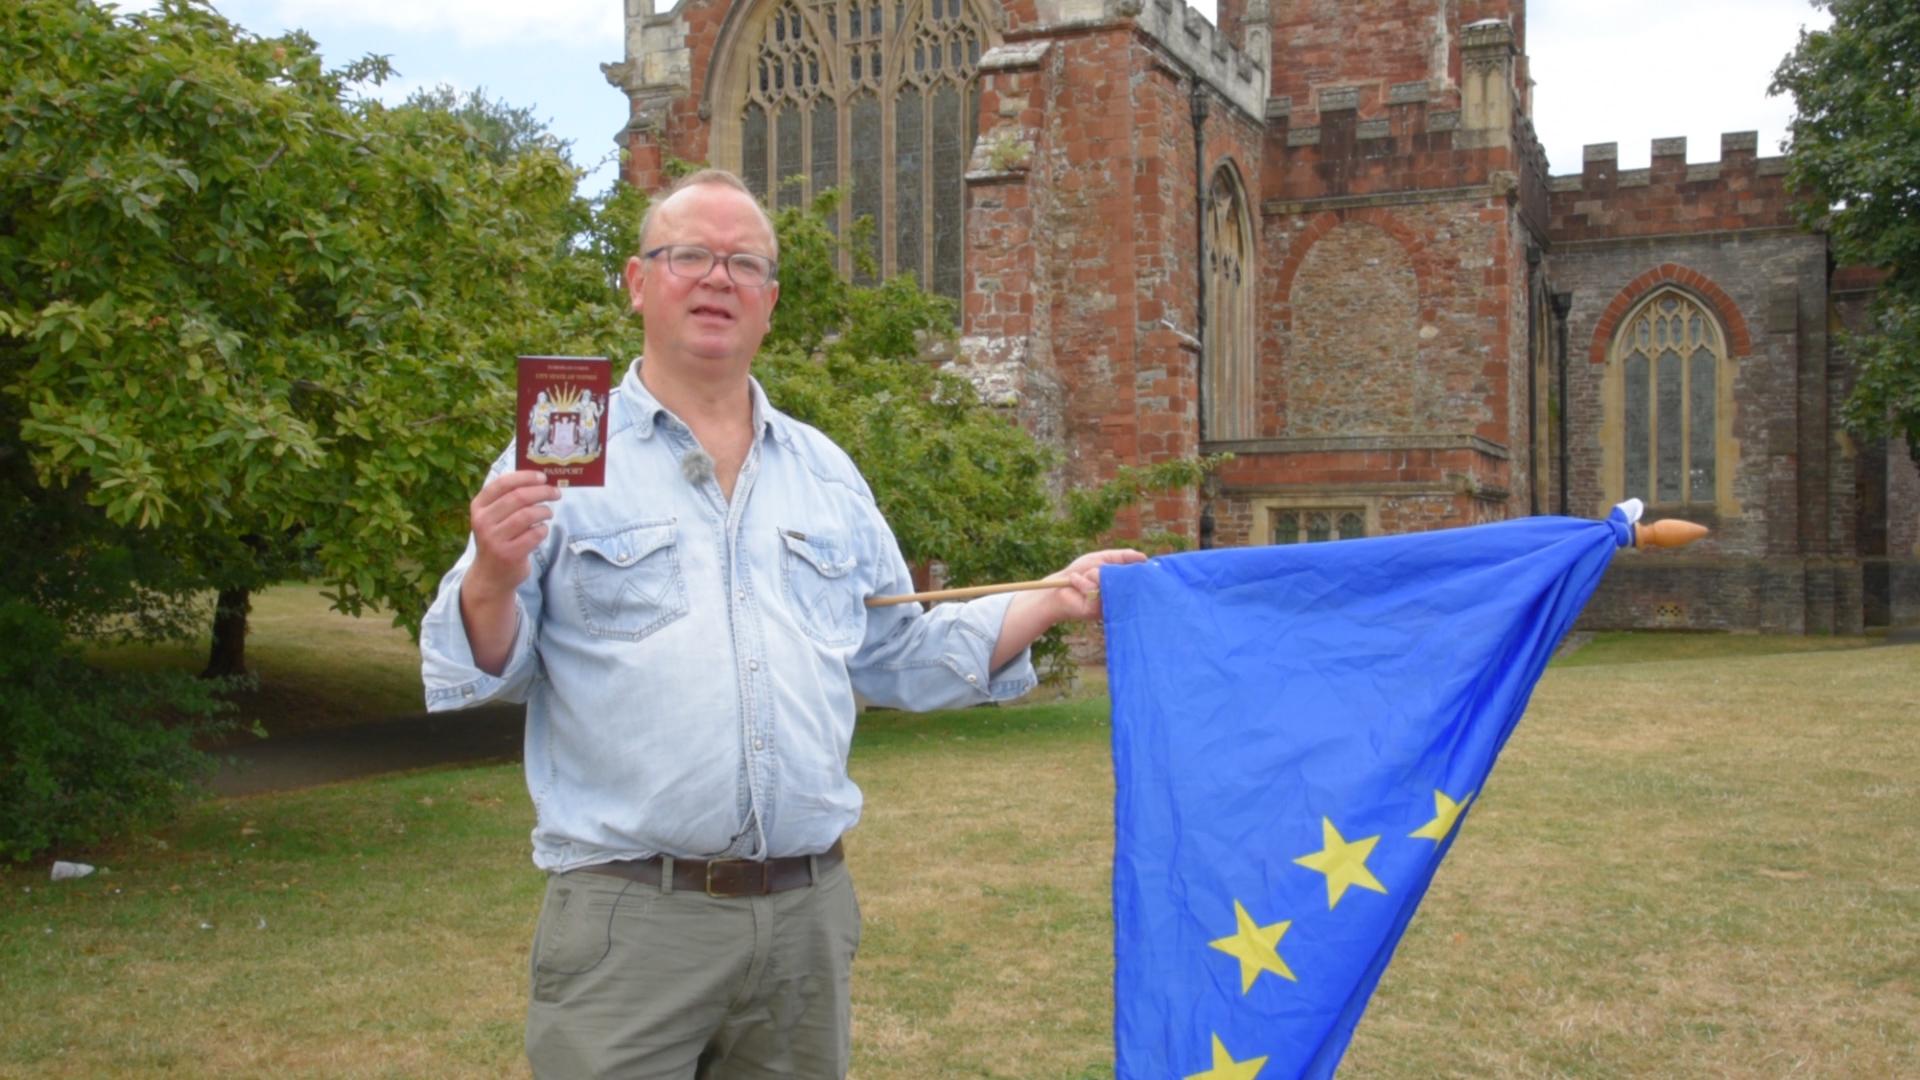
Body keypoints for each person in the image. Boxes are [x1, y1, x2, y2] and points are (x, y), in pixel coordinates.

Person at [419, 168, 1139, 1078]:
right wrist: (492, 568)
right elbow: (484, 663)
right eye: (689, 256)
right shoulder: (561, 457)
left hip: (805, 917)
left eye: (742, 263)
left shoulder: (826, 474)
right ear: (639, 282)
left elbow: (897, 654)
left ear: (770, 300)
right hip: (630, 922)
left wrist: (1056, 597)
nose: (716, 279)